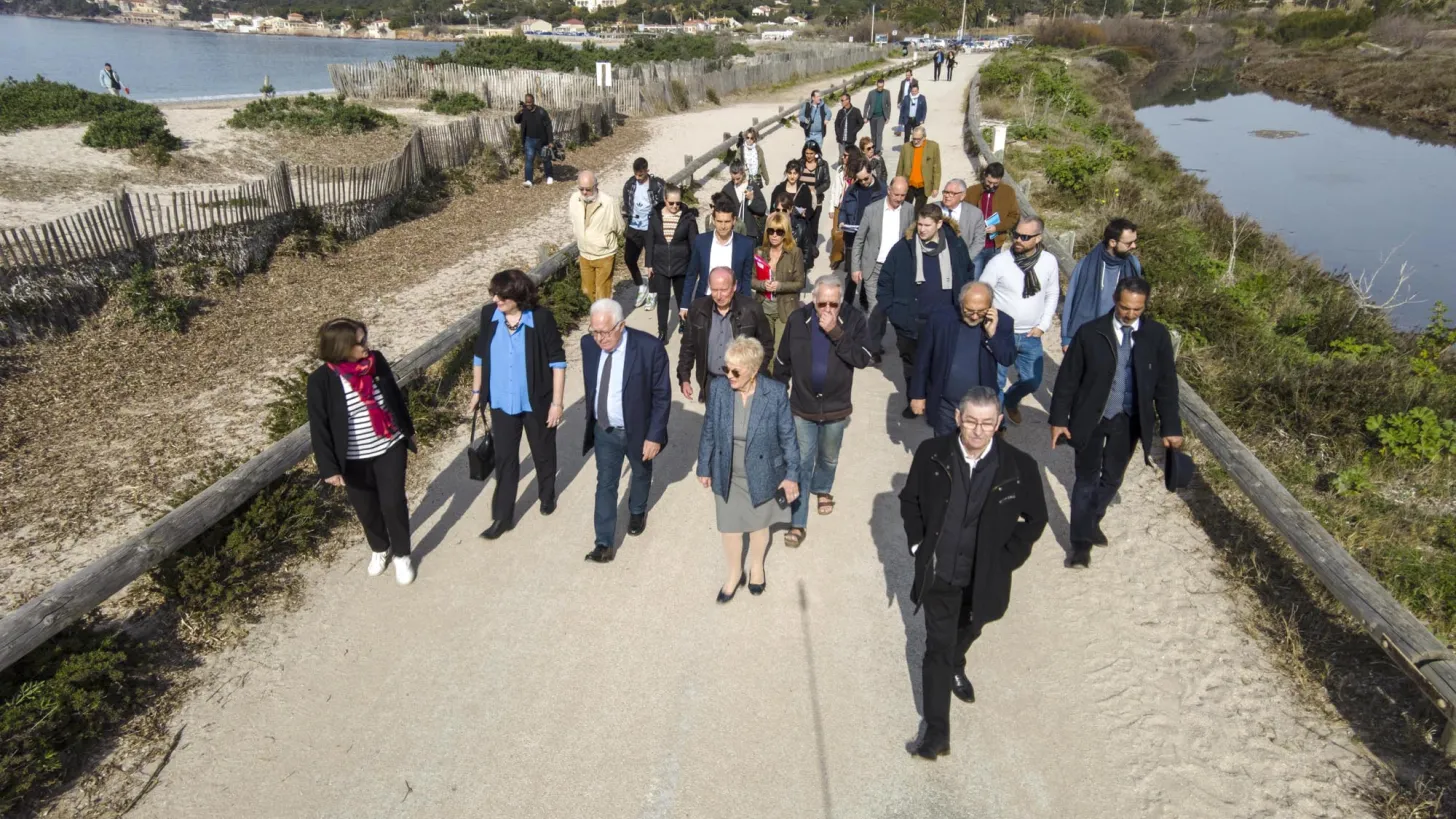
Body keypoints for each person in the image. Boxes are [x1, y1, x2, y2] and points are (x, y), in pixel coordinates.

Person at [900, 386, 1049, 761]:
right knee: (936, 648)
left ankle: (957, 659)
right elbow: (910, 500)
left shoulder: (1020, 467)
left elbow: (1036, 519)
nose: (978, 431)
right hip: (940, 574)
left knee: (976, 623)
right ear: (957, 419)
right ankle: (937, 733)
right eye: (971, 422)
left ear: (999, 423)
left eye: (987, 423)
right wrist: (919, 545)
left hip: (985, 578)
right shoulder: (932, 455)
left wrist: (1007, 559)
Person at [1049, 277, 1183, 569]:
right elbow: (1067, 381)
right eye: (1125, 307)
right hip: (1091, 418)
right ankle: (1080, 545)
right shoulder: (1090, 333)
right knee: (1086, 479)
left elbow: (1166, 386)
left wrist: (1172, 427)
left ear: (1145, 305)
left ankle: (1091, 518)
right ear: (1115, 300)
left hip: (1129, 419)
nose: (1130, 314)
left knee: (1112, 477)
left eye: (1137, 309)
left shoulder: (1157, 336)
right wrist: (1059, 420)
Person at [307, 318, 417, 586]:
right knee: (366, 509)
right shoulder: (320, 381)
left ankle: (402, 554)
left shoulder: (376, 361)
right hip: (352, 459)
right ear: (341, 348)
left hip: (389, 446)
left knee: (393, 503)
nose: (367, 346)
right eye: (360, 343)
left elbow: (393, 396)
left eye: (365, 338)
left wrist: (409, 431)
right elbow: (319, 427)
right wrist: (329, 468)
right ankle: (381, 548)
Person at [697, 336, 800, 602]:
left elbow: (788, 436)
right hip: (727, 471)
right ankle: (733, 573)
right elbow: (708, 429)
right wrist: (704, 466)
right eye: (726, 368)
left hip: (762, 471)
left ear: (754, 370)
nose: (728, 375)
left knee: (758, 525)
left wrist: (791, 475)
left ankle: (756, 566)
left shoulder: (774, 393)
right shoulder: (719, 389)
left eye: (735, 371)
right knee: (729, 527)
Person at [772, 277, 872, 547]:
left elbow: (863, 357)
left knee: (828, 457)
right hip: (802, 406)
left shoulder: (853, 319)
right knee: (802, 461)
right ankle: (798, 522)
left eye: (834, 304)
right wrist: (778, 396)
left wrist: (837, 333)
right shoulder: (798, 319)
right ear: (813, 300)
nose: (827, 309)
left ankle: (823, 488)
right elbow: (782, 360)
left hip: (836, 407)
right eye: (822, 303)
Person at [469, 269, 567, 540]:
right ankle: (502, 516)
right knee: (505, 460)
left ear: (518, 295)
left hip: (536, 401)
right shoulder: (489, 315)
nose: (496, 299)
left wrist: (556, 404)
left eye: (502, 295)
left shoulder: (542, 319)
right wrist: (477, 391)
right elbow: (479, 356)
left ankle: (547, 495)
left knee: (543, 452)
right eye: (493, 294)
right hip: (501, 401)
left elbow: (557, 363)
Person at [580, 298, 671, 563]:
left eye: (606, 331)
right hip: (604, 430)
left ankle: (637, 510)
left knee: (641, 473)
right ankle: (603, 542)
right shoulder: (589, 345)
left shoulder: (648, 348)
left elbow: (662, 395)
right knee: (605, 483)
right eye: (594, 331)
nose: (600, 338)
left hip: (638, 431)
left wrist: (654, 435)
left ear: (622, 325)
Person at [877, 205, 974, 418]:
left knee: (941, 365)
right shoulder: (904, 247)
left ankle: (935, 404)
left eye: (927, 225)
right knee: (912, 365)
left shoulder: (956, 245)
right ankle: (914, 399)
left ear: (939, 224)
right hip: (912, 321)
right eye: (919, 224)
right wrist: (894, 313)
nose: (921, 229)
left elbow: (968, 272)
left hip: (946, 320)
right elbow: (884, 282)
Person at [980, 217, 1059, 425]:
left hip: (1031, 334)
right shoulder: (999, 262)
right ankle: (998, 426)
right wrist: (990, 325)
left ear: (1038, 238)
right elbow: (982, 291)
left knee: (1032, 381)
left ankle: (1011, 400)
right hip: (1001, 333)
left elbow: (1052, 293)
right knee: (995, 384)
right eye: (1016, 235)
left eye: (1025, 237)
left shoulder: (1049, 261)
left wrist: (1043, 326)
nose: (1018, 240)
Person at [911, 281, 1015, 436]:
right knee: (944, 450)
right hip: (945, 405)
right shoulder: (940, 320)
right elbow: (923, 359)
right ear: (960, 304)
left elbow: (1007, 358)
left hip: (979, 408)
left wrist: (992, 335)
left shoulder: (1003, 322)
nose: (974, 316)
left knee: (975, 452)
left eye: (981, 312)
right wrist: (917, 395)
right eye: (969, 311)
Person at [679, 267, 773, 403]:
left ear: (734, 286)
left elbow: (767, 345)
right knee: (714, 422)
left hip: (743, 381)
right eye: (714, 290)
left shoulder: (752, 309)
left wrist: (755, 373)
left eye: (723, 290)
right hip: (711, 381)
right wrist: (684, 377)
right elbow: (688, 346)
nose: (718, 295)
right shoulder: (697, 309)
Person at [848, 175, 913, 355]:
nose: (899, 199)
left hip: (895, 269)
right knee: (875, 307)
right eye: (896, 195)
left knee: (885, 309)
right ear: (889, 191)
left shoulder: (909, 210)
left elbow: (911, 239)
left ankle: (875, 342)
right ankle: (871, 347)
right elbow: (859, 240)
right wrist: (855, 267)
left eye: (903, 195)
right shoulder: (872, 210)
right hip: (873, 266)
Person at [1062, 218, 1142, 350]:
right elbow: (1071, 300)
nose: (1134, 246)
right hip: (1087, 335)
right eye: (1129, 243)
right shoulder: (1086, 265)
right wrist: (1067, 338)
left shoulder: (1133, 265)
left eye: (1134, 241)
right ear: (1112, 242)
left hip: (1119, 337)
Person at [644, 185, 698, 341]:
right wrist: (649, 264)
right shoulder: (655, 216)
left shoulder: (688, 218)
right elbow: (650, 241)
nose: (675, 206)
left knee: (682, 297)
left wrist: (695, 265)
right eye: (671, 203)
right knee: (663, 298)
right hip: (660, 264)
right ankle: (662, 331)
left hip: (682, 265)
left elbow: (694, 243)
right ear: (665, 200)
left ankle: (684, 323)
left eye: (678, 203)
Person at [685, 194, 756, 305]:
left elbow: (746, 279)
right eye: (719, 221)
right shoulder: (701, 241)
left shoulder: (746, 244)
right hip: (705, 299)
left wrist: (747, 305)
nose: (723, 226)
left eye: (727, 222)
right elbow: (691, 274)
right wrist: (685, 304)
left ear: (734, 221)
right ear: (714, 220)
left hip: (734, 301)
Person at [753, 211, 806, 350]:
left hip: (785, 309)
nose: (774, 235)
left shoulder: (795, 253)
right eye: (771, 231)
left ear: (786, 233)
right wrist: (762, 284)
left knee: (779, 351)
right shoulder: (760, 251)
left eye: (779, 231)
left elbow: (800, 283)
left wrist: (780, 286)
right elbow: (750, 279)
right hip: (763, 307)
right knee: (765, 350)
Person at [569, 171, 624, 302]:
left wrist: (604, 239)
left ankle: (602, 320)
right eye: (581, 189)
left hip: (604, 254)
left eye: (587, 189)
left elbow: (620, 227)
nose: (584, 192)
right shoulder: (574, 199)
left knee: (602, 293)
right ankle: (599, 315)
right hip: (584, 253)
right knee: (587, 290)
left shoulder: (609, 203)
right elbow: (573, 220)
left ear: (596, 186)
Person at [621, 157, 665, 311]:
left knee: (651, 263)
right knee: (629, 258)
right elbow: (626, 203)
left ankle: (653, 292)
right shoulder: (630, 184)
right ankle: (641, 285)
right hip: (634, 226)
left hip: (650, 227)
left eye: (640, 175)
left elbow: (662, 204)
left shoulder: (657, 185)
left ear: (646, 170)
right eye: (635, 175)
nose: (637, 178)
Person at [835, 156, 886, 283]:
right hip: (853, 237)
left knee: (868, 272)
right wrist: (841, 221)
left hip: (872, 238)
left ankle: (864, 299)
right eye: (860, 180)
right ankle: (848, 301)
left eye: (865, 179)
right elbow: (844, 209)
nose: (863, 182)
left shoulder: (882, 190)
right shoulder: (852, 189)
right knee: (852, 272)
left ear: (871, 172)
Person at [967, 163, 1020, 279]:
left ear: (1000, 179)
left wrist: (997, 227)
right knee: (974, 281)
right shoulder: (971, 191)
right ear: (984, 176)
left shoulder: (1008, 192)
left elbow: (1014, 216)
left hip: (995, 245)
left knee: (990, 281)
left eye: (995, 184)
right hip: (975, 244)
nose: (991, 186)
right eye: (989, 182)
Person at [771, 159, 818, 269]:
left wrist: (804, 213)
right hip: (780, 227)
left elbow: (810, 210)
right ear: (786, 173)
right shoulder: (779, 189)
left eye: (795, 173)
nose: (792, 176)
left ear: (799, 174)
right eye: (790, 173)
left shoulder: (804, 189)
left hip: (798, 228)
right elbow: (772, 208)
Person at [895, 125, 942, 210]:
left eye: (918, 139)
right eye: (914, 139)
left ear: (924, 137)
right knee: (904, 209)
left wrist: (935, 188)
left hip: (924, 186)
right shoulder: (906, 147)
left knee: (919, 212)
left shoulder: (933, 147)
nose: (915, 141)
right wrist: (897, 184)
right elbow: (900, 167)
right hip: (908, 185)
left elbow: (937, 169)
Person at [801, 142, 831, 271]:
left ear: (816, 153)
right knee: (802, 226)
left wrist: (816, 191)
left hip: (816, 202)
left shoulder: (823, 165)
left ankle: (811, 251)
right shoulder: (800, 163)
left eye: (811, 153)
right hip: (802, 202)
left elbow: (826, 182)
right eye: (807, 153)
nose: (809, 156)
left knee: (813, 228)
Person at [514, 93, 554, 187]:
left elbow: (548, 126)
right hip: (529, 140)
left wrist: (550, 141)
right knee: (529, 160)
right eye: (526, 102)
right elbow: (516, 120)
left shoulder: (541, 112)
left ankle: (549, 176)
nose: (528, 104)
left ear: (533, 101)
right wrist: (519, 112)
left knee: (546, 159)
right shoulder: (523, 111)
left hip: (541, 140)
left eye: (530, 102)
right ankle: (529, 180)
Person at [720, 161, 767, 239]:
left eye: (738, 178)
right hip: (732, 232)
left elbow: (762, 208)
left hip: (750, 232)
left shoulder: (751, 186)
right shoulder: (727, 189)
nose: (735, 181)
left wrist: (752, 199)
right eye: (733, 178)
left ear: (743, 173)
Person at [937, 178, 985, 251]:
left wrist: (966, 259)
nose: (947, 196)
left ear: (962, 196)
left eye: (952, 193)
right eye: (945, 192)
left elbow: (979, 241)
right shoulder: (932, 208)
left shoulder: (975, 214)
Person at [833, 92, 865, 166]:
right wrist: (838, 133)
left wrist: (854, 131)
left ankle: (849, 171)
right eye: (841, 100)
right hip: (841, 139)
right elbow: (836, 124)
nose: (841, 102)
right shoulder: (840, 112)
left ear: (848, 100)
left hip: (850, 139)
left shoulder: (856, 111)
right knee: (841, 156)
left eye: (842, 100)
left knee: (849, 156)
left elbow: (861, 122)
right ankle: (841, 171)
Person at [863, 77, 892, 154]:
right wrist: (865, 116)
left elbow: (889, 105)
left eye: (882, 87)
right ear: (876, 85)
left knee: (879, 133)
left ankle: (878, 150)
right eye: (879, 87)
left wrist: (888, 116)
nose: (880, 88)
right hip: (872, 116)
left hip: (881, 116)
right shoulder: (871, 93)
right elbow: (866, 104)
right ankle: (873, 147)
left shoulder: (886, 93)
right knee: (873, 134)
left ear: (883, 85)